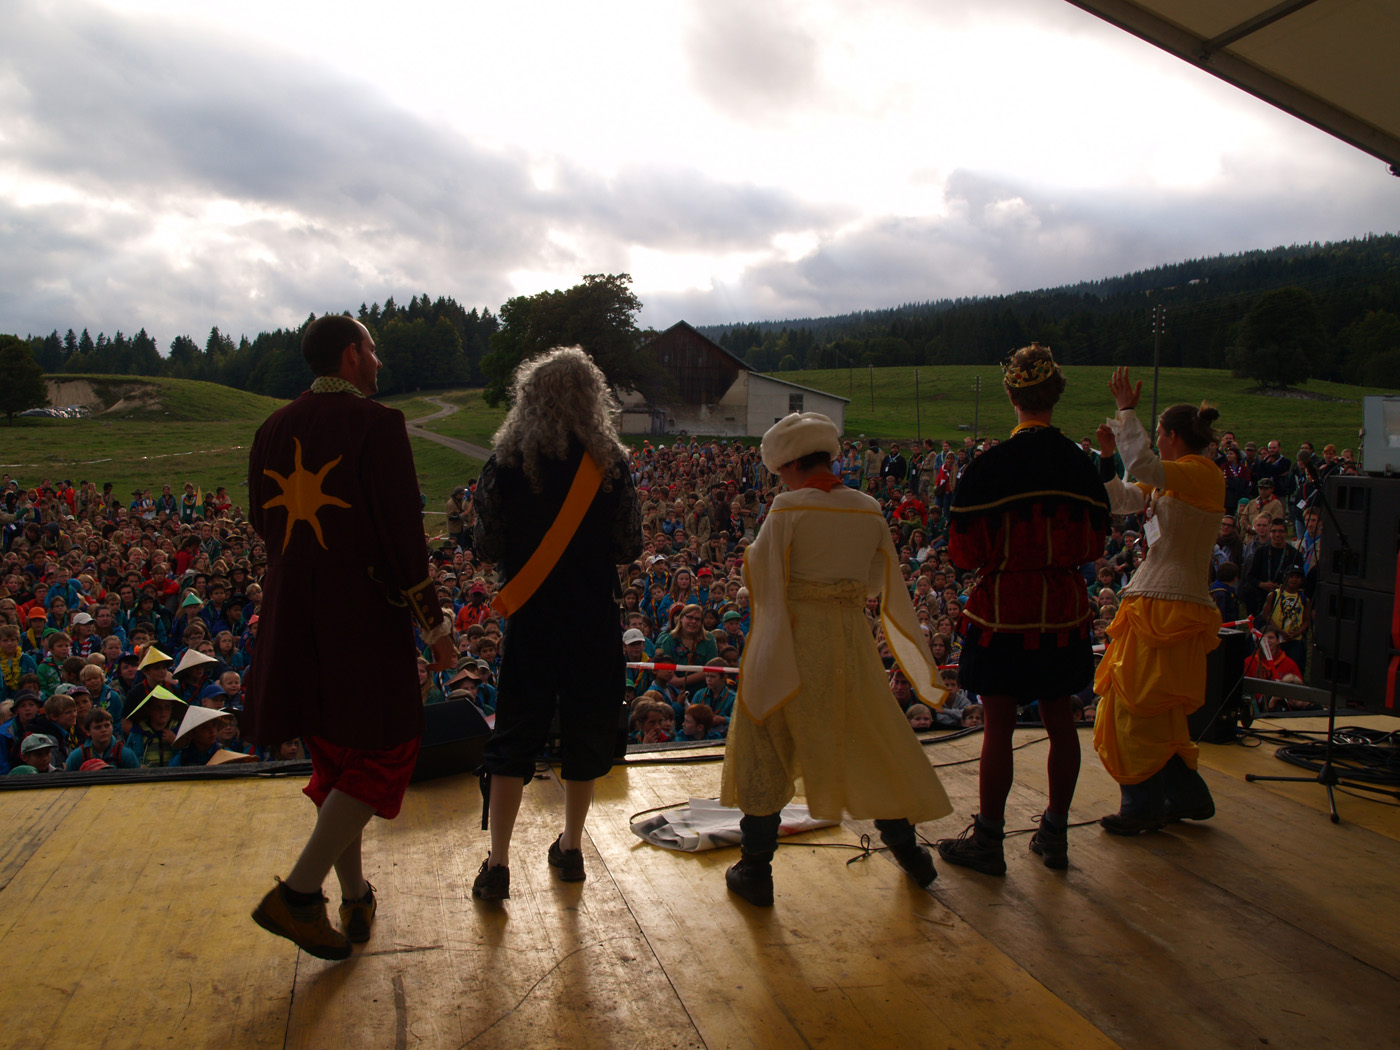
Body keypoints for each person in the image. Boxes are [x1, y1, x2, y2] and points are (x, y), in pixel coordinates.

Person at [246, 314, 454, 962]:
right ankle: (300, 895)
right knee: (389, 749)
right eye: (373, 349)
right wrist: (435, 625)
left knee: (338, 761)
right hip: (359, 618)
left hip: (292, 613)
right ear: (349, 356)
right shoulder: (377, 425)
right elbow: (403, 537)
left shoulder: (272, 427)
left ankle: (356, 896)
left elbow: (261, 519)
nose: (379, 363)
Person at [719, 412, 951, 907]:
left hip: (793, 641)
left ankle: (756, 870)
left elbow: (760, 577)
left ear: (792, 464)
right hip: (849, 646)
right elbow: (876, 581)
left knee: (767, 740)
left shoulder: (786, 509)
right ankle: (914, 858)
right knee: (867, 740)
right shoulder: (868, 508)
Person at [471, 347, 642, 901]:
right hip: (591, 614)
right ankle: (570, 850)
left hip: (532, 614)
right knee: (587, 726)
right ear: (593, 398)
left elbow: (486, 543)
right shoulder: (611, 464)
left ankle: (497, 865)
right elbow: (628, 548)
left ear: (529, 397)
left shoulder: (505, 464)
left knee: (515, 729)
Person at [935, 344, 1110, 875]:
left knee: (998, 727)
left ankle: (989, 840)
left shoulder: (990, 466)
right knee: (1062, 720)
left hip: (1003, 611)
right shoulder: (1081, 465)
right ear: (1055, 395)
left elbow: (962, 553)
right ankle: (1054, 834)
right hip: (1061, 608)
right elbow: (1098, 542)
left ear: (1011, 396)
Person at [1091, 367, 1224, 834]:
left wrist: (1127, 413)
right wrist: (1108, 457)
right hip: (1154, 600)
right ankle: (1185, 796)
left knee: (1134, 704)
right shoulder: (1176, 478)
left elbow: (1144, 468)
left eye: (1157, 432)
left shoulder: (1201, 474)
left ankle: (1143, 803)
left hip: (1173, 602)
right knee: (1150, 706)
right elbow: (1122, 500)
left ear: (1167, 436)